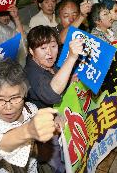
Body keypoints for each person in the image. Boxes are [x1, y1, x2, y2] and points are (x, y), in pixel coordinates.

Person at [0, 58, 59, 173]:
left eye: (15, 98)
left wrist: (52, 131)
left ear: (24, 92)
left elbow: (41, 154)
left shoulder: (30, 110)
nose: (8, 107)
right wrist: (28, 130)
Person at [24, 25, 85, 173]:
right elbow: (51, 94)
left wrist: (68, 80)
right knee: (57, 165)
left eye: (53, 46)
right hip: (47, 133)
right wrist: (71, 58)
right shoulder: (32, 73)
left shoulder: (49, 64)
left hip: (61, 121)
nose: (50, 53)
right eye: (43, 48)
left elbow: (57, 79)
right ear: (32, 51)